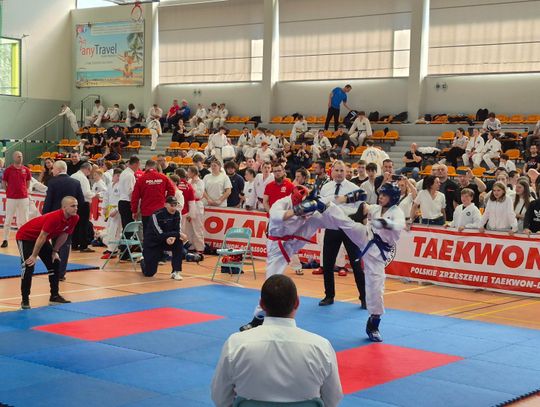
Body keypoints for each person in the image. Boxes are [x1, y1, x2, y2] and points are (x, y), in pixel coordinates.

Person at [241, 184, 367, 330]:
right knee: (271, 282)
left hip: (297, 236)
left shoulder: (308, 200)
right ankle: (257, 319)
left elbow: (331, 199)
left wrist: (348, 198)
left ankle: (353, 219)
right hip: (278, 245)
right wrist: (299, 209)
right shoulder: (280, 204)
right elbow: (280, 216)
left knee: (323, 211)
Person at [212, 275, 343, 407]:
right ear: (297, 303)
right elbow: (333, 400)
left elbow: (220, 399)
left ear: (261, 305)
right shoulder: (321, 347)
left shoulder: (236, 344)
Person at [16, 196, 79, 309]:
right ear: (64, 207)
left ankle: (54, 296)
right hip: (26, 237)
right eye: (73, 206)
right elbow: (42, 236)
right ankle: (25, 300)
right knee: (29, 265)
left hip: (41, 238)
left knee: (54, 262)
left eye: (76, 206)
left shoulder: (74, 218)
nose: (76, 208)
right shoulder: (54, 217)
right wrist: (34, 256)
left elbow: (64, 235)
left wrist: (55, 251)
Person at [319, 161, 366, 308]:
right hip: (331, 227)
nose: (339, 173)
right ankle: (329, 296)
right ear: (332, 171)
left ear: (346, 172)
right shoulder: (326, 188)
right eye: (337, 170)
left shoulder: (354, 188)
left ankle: (364, 298)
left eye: (342, 171)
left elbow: (360, 208)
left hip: (349, 229)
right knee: (327, 264)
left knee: (356, 265)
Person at [42, 160, 85, 279]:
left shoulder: (52, 182)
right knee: (65, 244)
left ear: (59, 169)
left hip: (55, 217)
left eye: (53, 169)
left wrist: (44, 216)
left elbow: (48, 201)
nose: (52, 171)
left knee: (55, 244)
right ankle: (61, 273)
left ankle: (55, 270)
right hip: (70, 217)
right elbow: (81, 201)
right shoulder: (76, 182)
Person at [140, 196, 184, 280]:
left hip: (166, 240)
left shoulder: (177, 214)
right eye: (172, 205)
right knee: (149, 273)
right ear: (166, 205)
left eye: (175, 205)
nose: (174, 208)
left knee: (179, 242)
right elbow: (159, 233)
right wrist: (178, 234)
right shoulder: (156, 215)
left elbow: (176, 229)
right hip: (153, 242)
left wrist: (174, 237)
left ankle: (176, 271)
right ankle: (143, 260)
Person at [131, 159, 176, 230]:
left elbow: (135, 197)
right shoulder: (164, 177)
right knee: (161, 232)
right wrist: (166, 202)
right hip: (161, 210)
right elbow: (172, 190)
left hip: (146, 212)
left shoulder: (141, 179)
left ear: (146, 167)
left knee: (148, 233)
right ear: (156, 167)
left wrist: (134, 211)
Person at [1, 151, 31, 248]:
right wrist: (8, 191)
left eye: (21, 156)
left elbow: (28, 182)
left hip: (23, 198)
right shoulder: (8, 170)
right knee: (8, 219)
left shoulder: (26, 170)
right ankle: (5, 239)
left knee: (24, 219)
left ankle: (24, 238)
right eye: (18, 156)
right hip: (11, 198)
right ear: (14, 157)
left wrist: (24, 191)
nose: (20, 157)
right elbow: (4, 182)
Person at [70, 162, 95, 252]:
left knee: (75, 224)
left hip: (73, 202)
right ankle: (83, 246)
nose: (89, 173)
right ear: (87, 169)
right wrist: (95, 194)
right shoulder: (83, 178)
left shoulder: (73, 175)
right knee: (83, 224)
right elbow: (86, 193)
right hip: (83, 203)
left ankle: (74, 244)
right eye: (89, 171)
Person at [101, 168, 123, 259]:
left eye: (120, 176)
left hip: (117, 210)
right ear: (113, 175)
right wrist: (104, 208)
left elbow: (122, 199)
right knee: (110, 230)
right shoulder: (110, 185)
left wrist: (116, 210)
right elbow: (106, 197)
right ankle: (110, 248)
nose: (118, 177)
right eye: (117, 175)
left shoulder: (121, 186)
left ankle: (113, 250)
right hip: (110, 209)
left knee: (116, 231)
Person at [186, 166, 205, 253]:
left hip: (197, 205)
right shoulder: (189, 181)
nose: (187, 173)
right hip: (189, 205)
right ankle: (191, 247)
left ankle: (200, 248)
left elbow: (199, 195)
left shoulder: (200, 182)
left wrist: (193, 186)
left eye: (189, 172)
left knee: (197, 227)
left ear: (193, 173)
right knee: (189, 228)